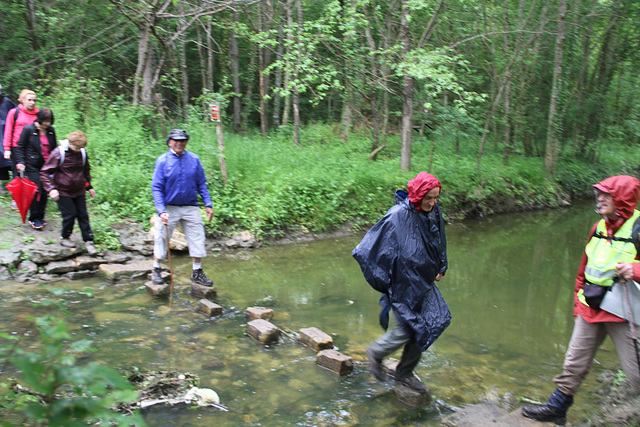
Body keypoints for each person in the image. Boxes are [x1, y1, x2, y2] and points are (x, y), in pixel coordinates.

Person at [522, 175, 640, 425]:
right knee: (574, 363)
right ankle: (557, 409)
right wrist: (578, 300)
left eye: (606, 195)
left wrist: (635, 270)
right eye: (599, 194)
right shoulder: (598, 227)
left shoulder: (638, 227)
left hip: (626, 313)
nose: (599, 199)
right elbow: (584, 268)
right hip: (591, 307)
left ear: (623, 199)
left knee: (636, 374)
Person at [352, 172, 451, 392]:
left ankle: (404, 373)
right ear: (418, 195)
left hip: (424, 281)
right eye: (429, 198)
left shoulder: (434, 211)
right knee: (409, 328)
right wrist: (385, 281)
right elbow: (367, 250)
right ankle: (377, 352)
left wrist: (441, 266)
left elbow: (439, 239)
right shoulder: (397, 215)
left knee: (430, 324)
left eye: (436, 198)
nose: (433, 202)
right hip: (402, 285)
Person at [151, 129, 215, 286]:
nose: (179, 143)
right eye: (175, 140)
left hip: (190, 206)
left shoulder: (194, 159)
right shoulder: (162, 161)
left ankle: (197, 272)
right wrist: (161, 211)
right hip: (169, 207)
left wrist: (208, 204)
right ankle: (156, 269)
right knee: (162, 237)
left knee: (198, 236)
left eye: (182, 140)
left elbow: (201, 183)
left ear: (186, 142)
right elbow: (157, 187)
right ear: (169, 142)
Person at [40, 131, 97, 255]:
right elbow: (44, 172)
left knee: (83, 215)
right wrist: (51, 189)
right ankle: (65, 237)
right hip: (62, 190)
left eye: (81, 148)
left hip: (79, 189)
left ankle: (88, 241)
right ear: (70, 143)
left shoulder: (82, 153)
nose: (78, 150)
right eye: (77, 147)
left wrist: (89, 187)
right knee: (70, 214)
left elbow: (85, 170)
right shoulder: (58, 153)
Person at [14, 107, 56, 229]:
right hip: (32, 164)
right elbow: (20, 146)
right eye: (45, 121)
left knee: (45, 190)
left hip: (47, 165)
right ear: (40, 119)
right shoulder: (28, 129)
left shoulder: (51, 130)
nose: (47, 124)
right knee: (37, 189)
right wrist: (21, 161)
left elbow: (53, 147)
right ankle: (33, 218)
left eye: (49, 121)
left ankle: (41, 216)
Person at [0, 84, 17, 191]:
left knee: (12, 160)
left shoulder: (7, 102)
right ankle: (1, 184)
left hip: (7, 134)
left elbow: (17, 113)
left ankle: (15, 185)